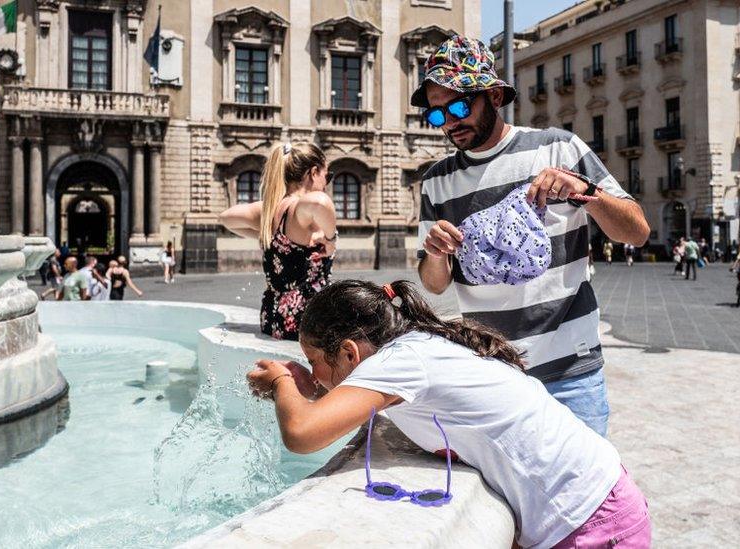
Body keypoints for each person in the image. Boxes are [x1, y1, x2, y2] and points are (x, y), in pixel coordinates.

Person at [246, 280, 652, 549]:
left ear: (350, 352)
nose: (313, 373)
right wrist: (309, 384)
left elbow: (302, 433)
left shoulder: (399, 362)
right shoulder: (417, 346)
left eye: (313, 360)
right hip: (600, 501)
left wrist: (282, 379)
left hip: (593, 524)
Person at [413, 36, 650, 436]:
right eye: (437, 115)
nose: (449, 123)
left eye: (457, 106)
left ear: (493, 96)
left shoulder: (558, 148)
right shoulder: (437, 182)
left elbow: (637, 231)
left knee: (584, 495)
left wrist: (585, 191)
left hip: (570, 375)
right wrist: (435, 254)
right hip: (495, 375)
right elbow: (434, 285)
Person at [219, 141, 337, 341]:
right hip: (307, 320)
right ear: (313, 172)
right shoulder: (299, 210)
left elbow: (226, 218)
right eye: (328, 176)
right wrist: (330, 239)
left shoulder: (270, 210)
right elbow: (320, 202)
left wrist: (264, 234)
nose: (327, 183)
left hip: (272, 316)